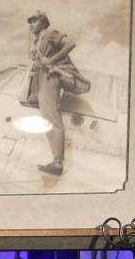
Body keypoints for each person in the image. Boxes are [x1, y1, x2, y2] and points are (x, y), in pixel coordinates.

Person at [25, 10, 88, 177]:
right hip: (40, 77)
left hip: (49, 76)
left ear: (43, 22)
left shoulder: (50, 33)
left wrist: (51, 61)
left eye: (34, 20)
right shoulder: (37, 40)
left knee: (51, 118)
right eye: (29, 21)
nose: (31, 23)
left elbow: (71, 43)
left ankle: (58, 163)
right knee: (47, 117)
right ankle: (56, 161)